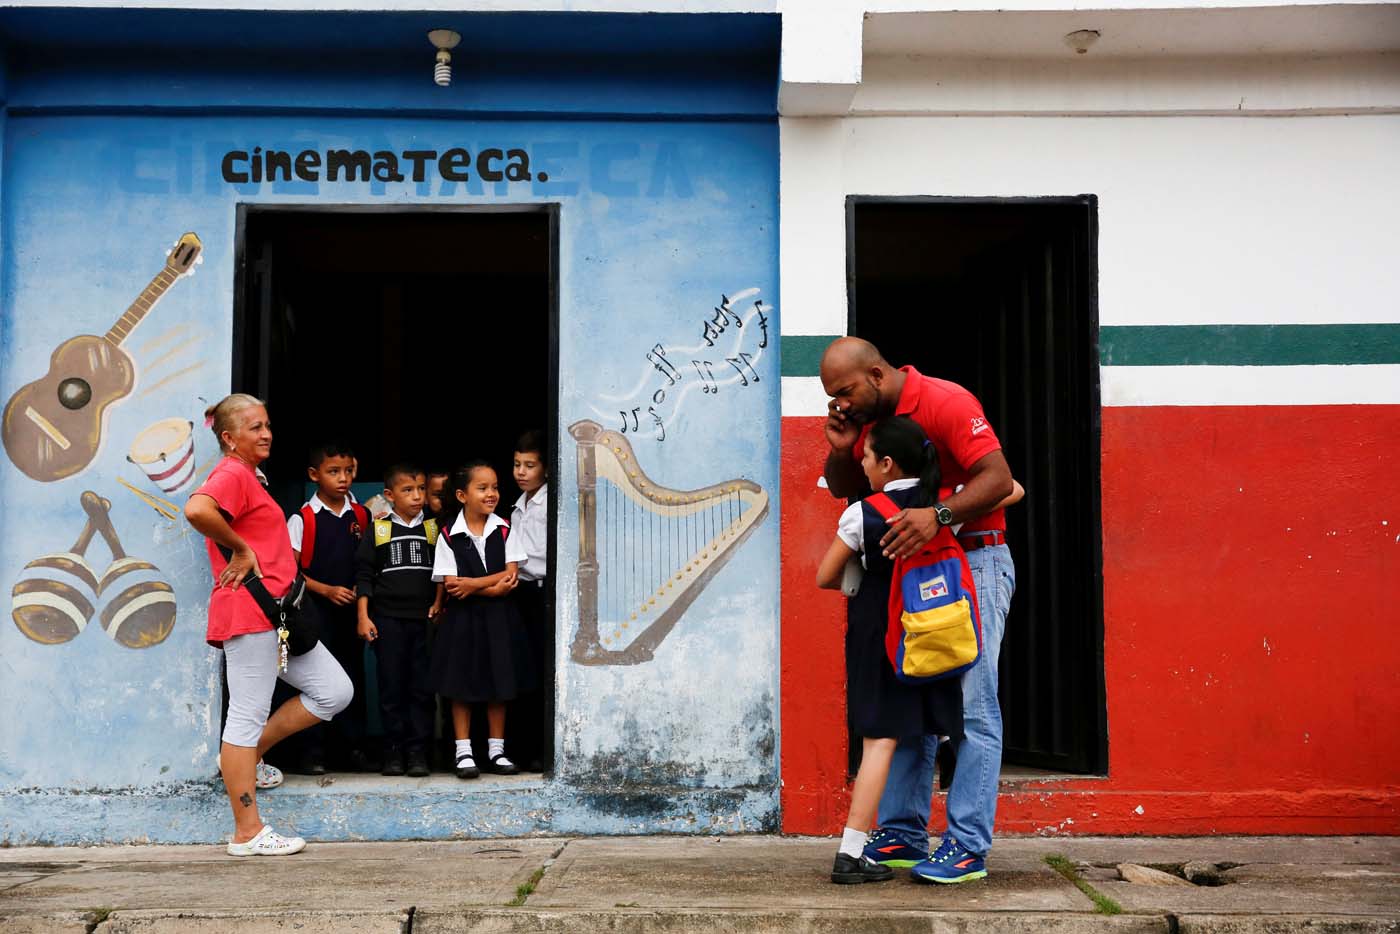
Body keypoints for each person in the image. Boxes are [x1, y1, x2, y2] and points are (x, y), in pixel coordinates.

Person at [820, 337, 1016, 884]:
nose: (840, 403)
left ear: (877, 375)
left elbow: (1000, 479)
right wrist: (840, 449)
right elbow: (847, 491)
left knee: (971, 706)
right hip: (910, 570)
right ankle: (903, 833)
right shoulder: (866, 422)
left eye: (845, 391)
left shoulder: (948, 401)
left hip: (972, 563)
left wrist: (942, 514)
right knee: (912, 701)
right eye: (832, 396)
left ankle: (967, 845)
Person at [184, 393, 352, 857]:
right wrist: (240, 549)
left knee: (334, 691)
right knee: (246, 714)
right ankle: (247, 831)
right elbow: (197, 510)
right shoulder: (232, 473)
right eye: (255, 427)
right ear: (229, 438)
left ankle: (246, 758)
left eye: (267, 425)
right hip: (249, 612)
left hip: (277, 615)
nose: (266, 434)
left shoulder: (249, 476)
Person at [815, 415, 965, 885]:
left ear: (886, 463)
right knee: (931, 723)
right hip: (933, 627)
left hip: (881, 632)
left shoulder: (864, 512)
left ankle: (851, 851)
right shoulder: (943, 505)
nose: (861, 466)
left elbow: (824, 576)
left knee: (879, 737)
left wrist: (857, 574)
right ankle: (939, 822)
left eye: (865, 458)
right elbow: (1012, 489)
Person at [430, 461, 536, 779]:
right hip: (462, 623)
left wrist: (474, 586)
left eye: (494, 487)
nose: (491, 494)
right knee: (461, 685)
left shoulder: (503, 529)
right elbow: (451, 584)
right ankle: (463, 751)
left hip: (499, 620)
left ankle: (496, 750)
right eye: (483, 488)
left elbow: (511, 575)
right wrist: (489, 587)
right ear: (462, 495)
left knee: (499, 683)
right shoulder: (449, 535)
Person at [287, 441, 373, 774]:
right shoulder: (303, 519)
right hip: (315, 615)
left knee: (353, 678)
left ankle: (353, 749)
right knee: (316, 681)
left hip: (350, 612)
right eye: (333, 471)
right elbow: (289, 571)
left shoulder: (361, 515)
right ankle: (313, 752)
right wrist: (326, 590)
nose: (343, 478)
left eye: (348, 471)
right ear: (314, 475)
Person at [356, 464, 442, 777]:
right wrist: (363, 616)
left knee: (421, 687)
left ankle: (418, 751)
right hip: (387, 620)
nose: (417, 496)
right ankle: (393, 750)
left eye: (421, 489)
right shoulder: (379, 529)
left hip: (423, 621)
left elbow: (442, 576)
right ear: (390, 495)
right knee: (391, 686)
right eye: (408, 490)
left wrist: (437, 606)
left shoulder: (432, 529)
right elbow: (364, 575)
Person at [509, 431, 550, 772]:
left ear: (546, 470)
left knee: (539, 669)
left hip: (540, 593)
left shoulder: (548, 504)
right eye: (517, 464)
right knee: (520, 669)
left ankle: (540, 748)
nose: (521, 472)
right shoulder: (517, 506)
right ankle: (520, 747)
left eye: (530, 465)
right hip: (518, 592)